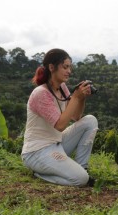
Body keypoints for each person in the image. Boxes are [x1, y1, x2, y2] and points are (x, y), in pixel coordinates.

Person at [21, 48, 98, 187]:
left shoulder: (62, 87)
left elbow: (76, 116)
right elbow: (60, 125)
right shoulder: (41, 93)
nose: (69, 71)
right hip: (37, 151)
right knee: (80, 179)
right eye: (65, 67)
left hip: (57, 143)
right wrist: (75, 96)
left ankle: (82, 167)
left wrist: (81, 98)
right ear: (51, 67)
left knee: (90, 120)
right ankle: (40, 173)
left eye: (70, 67)